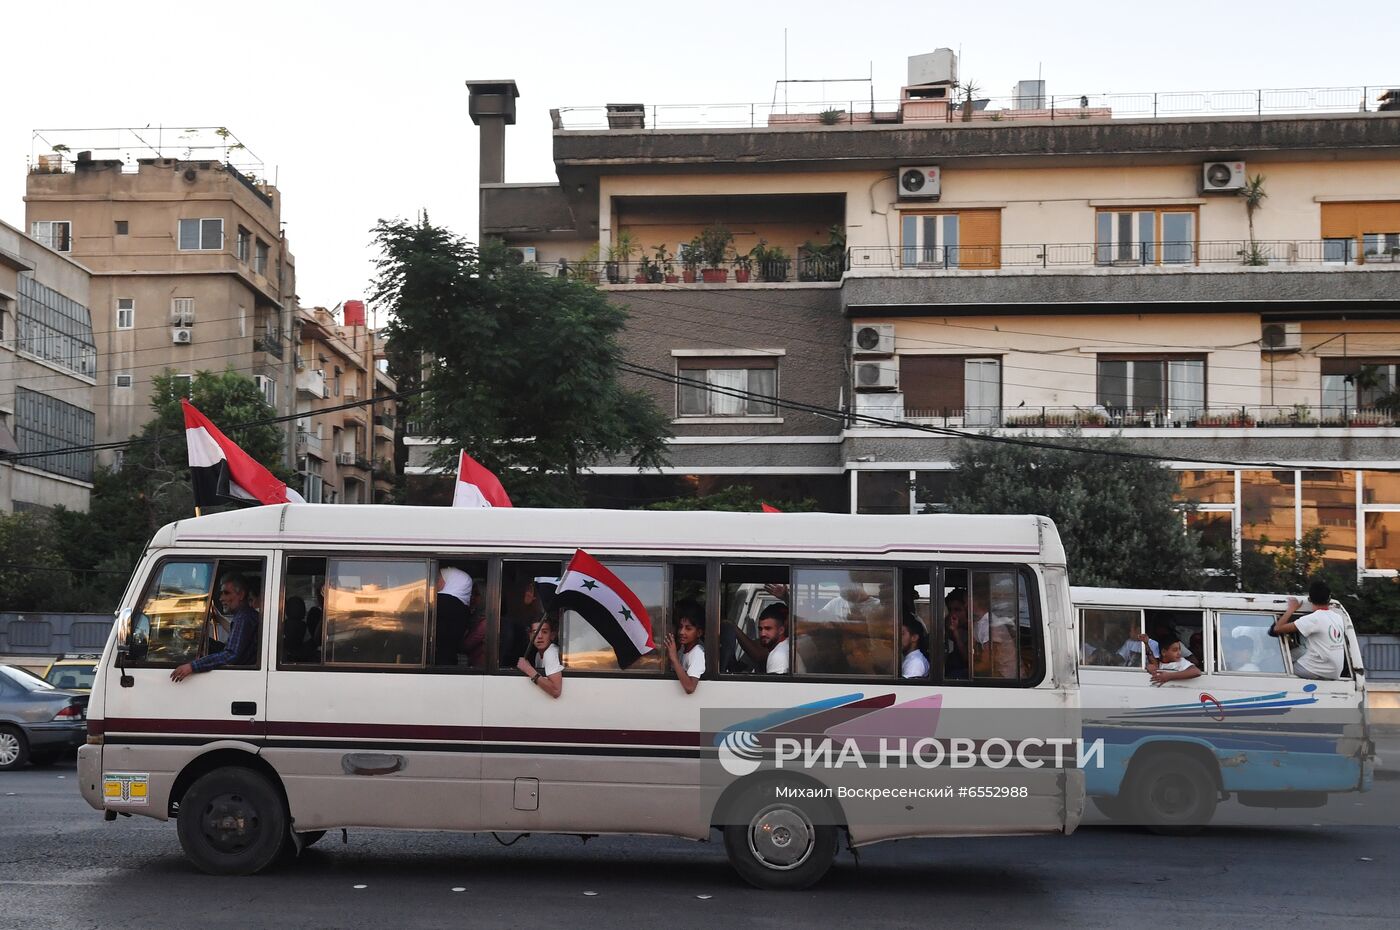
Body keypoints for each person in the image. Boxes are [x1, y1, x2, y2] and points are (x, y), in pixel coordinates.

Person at [171, 574, 259, 682]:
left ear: (241, 595)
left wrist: (192, 666)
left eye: (226, 593)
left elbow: (230, 655)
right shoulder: (245, 616)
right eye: (221, 593)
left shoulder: (244, 618)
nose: (221, 598)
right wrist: (202, 640)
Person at [1273, 580, 1346, 680]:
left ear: (1310, 599)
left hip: (1315, 670)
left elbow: (1277, 629)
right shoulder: (1338, 617)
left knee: (1283, 666)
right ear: (1329, 598)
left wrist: (1291, 609)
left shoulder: (1314, 618)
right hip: (1335, 672)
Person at [729, 603, 790, 674]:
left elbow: (758, 655)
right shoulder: (762, 642)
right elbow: (738, 668)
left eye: (768, 628)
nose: (763, 633)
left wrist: (733, 627)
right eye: (760, 629)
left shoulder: (782, 651)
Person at [433, 567, 473, 666]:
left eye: (438, 580)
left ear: (450, 581)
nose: (434, 584)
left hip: (432, 662)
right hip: (449, 663)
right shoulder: (464, 610)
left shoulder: (437, 603)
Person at [665, 599, 706, 694]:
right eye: (680, 627)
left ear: (699, 632)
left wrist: (674, 659)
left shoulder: (697, 652)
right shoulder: (683, 648)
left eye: (688, 628)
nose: (681, 632)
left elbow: (690, 687)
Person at [516, 617, 563, 698]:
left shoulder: (550, 652)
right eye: (535, 632)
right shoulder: (538, 654)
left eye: (544, 632)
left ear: (552, 635)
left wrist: (528, 669)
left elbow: (556, 691)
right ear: (530, 636)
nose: (539, 636)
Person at [944, 589, 971, 679]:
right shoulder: (948, 626)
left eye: (957, 610)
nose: (953, 614)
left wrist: (956, 633)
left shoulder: (973, 630)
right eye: (950, 610)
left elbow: (968, 660)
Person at [900, 614, 930, 679]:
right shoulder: (912, 658)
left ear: (914, 637)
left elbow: (906, 688)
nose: (897, 638)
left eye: (901, 634)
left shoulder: (915, 663)